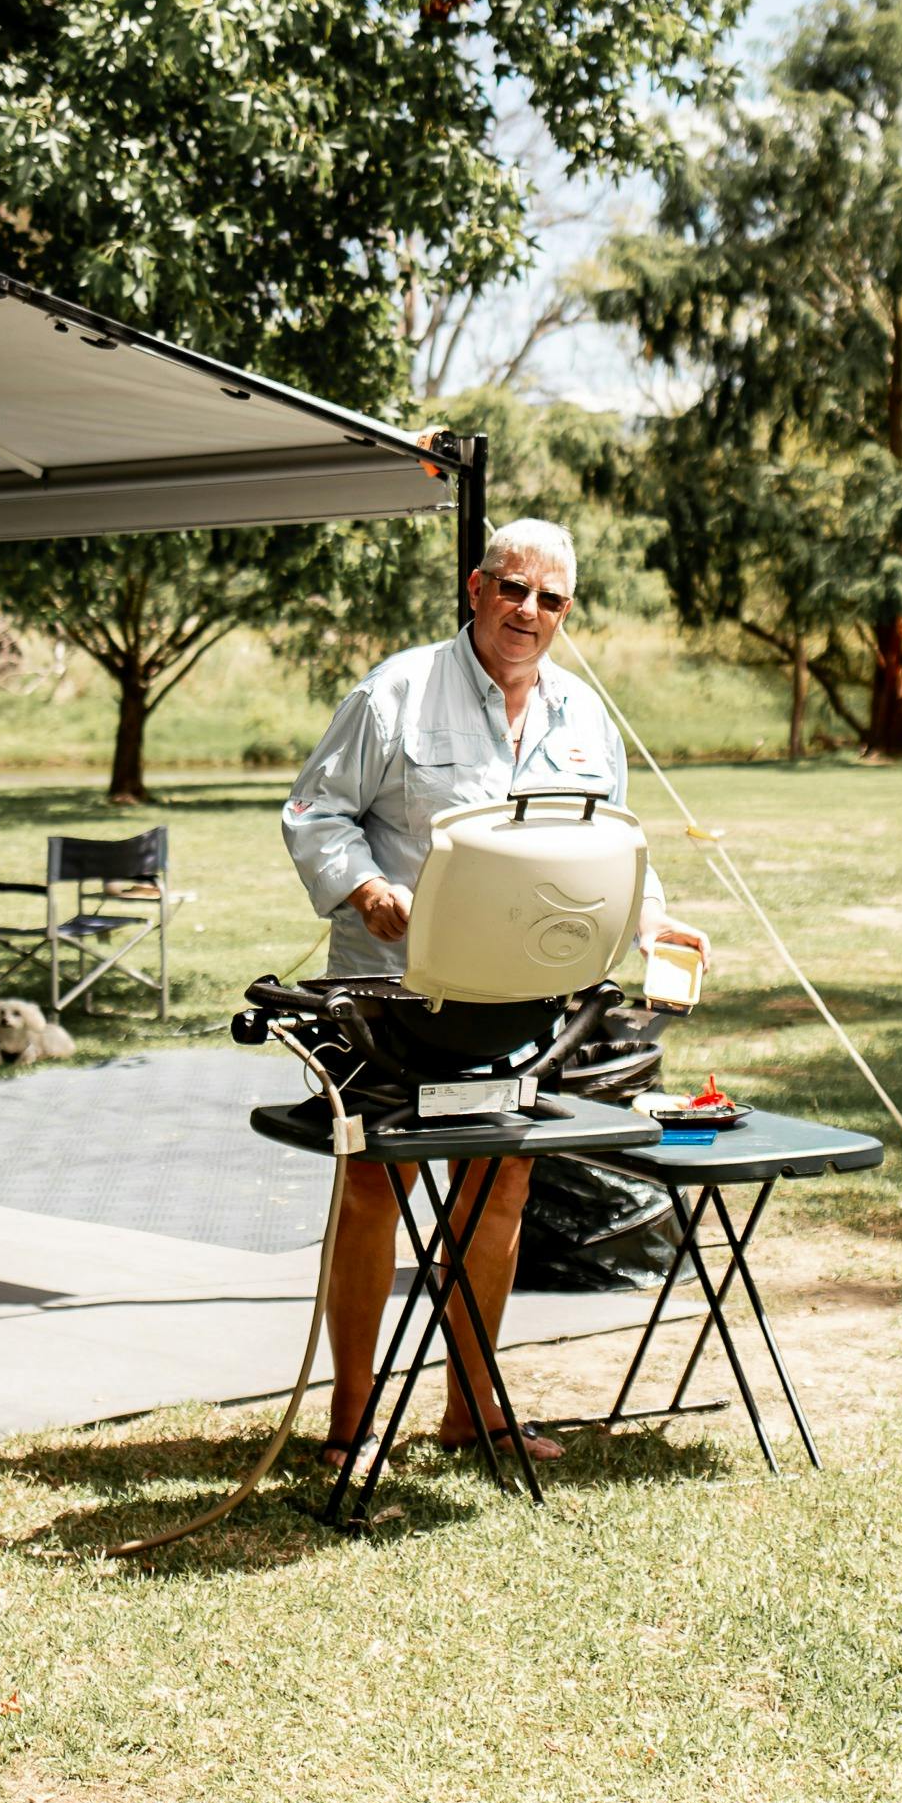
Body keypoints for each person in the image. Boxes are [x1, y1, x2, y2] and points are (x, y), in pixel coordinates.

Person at [281, 516, 709, 1464]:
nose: (528, 611)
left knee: (501, 1187)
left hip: (514, 1000)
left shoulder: (584, 717)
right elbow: (315, 813)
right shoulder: (394, 689)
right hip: (387, 995)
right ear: (475, 589)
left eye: (549, 598)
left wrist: (650, 922)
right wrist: (363, 886)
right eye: (512, 589)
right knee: (371, 1188)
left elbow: (609, 844)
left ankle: (472, 1411)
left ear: (567, 611)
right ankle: (349, 1427)